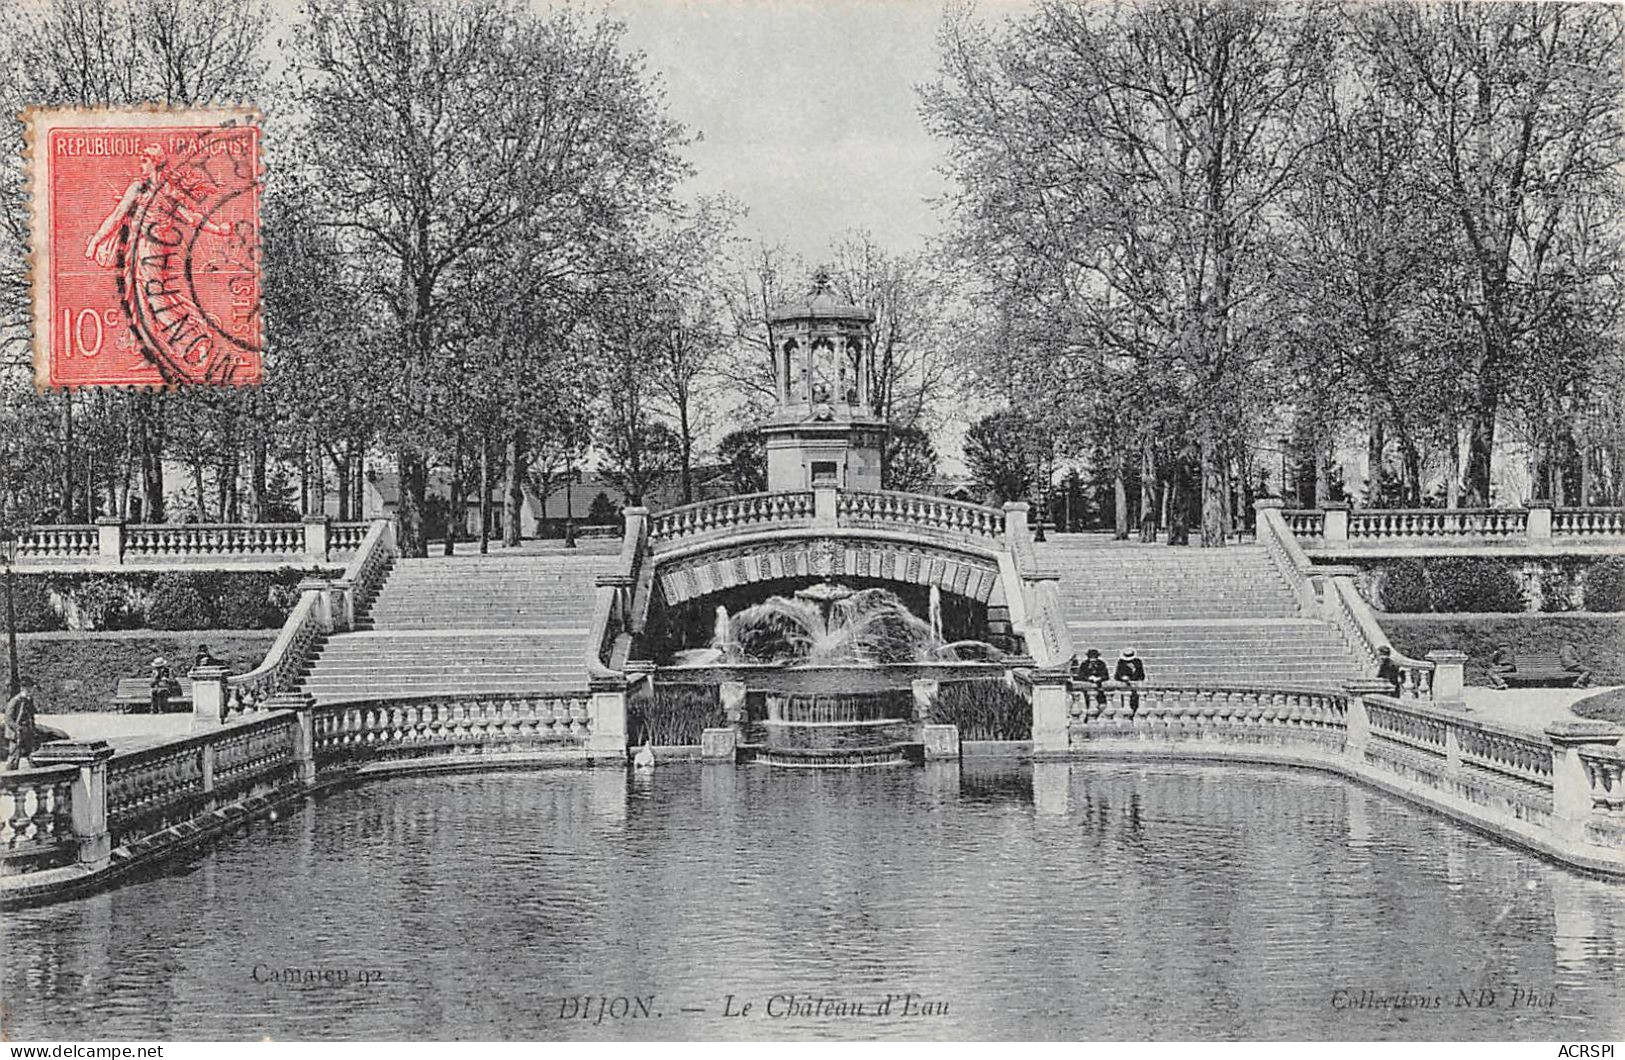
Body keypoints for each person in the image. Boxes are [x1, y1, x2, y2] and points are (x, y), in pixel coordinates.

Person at [5, 677, 40, 771]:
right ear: (22, 688)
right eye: (28, 688)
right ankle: (7, 779)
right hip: (16, 734)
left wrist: (33, 729)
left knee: (31, 756)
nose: (30, 690)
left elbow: (31, 715)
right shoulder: (15, 701)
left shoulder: (28, 700)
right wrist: (17, 728)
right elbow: (8, 719)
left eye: (31, 688)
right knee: (14, 757)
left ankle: (36, 777)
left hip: (27, 732)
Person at [1114, 648, 1146, 713]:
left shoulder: (1137, 662)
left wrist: (1134, 671)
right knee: (1126, 704)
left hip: (1134, 686)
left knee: (1134, 704)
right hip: (1125, 687)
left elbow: (1142, 675)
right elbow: (1117, 675)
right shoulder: (1121, 662)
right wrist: (1123, 678)